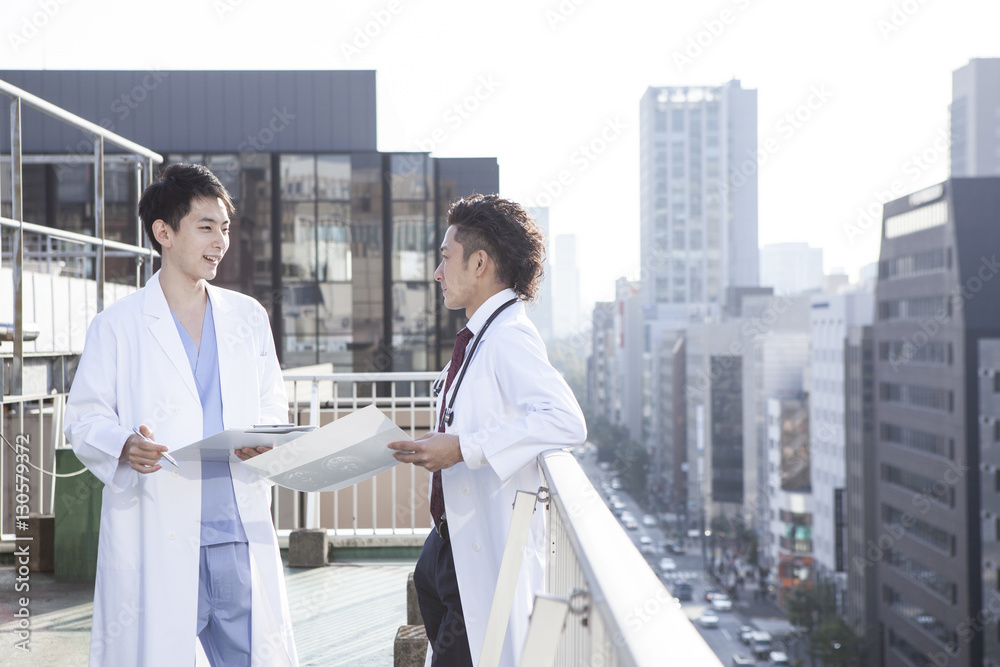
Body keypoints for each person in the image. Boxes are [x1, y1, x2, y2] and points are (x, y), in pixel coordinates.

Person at [64, 164, 297, 667]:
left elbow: (273, 402)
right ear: (164, 233)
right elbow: (83, 419)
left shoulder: (248, 317)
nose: (220, 242)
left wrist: (264, 437)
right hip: (160, 532)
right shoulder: (117, 327)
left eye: (226, 228)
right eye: (206, 227)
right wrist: (124, 444)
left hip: (236, 532)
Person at [388, 194, 587, 666]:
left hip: (475, 548)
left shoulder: (509, 337)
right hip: (446, 543)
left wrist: (461, 449)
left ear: (479, 263)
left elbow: (565, 419)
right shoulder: (481, 335)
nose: (437, 272)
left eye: (445, 257)